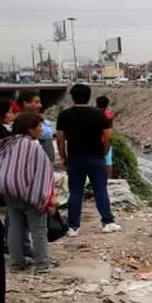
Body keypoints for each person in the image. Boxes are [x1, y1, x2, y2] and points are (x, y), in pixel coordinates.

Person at [55, 84, 121, 236]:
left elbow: (60, 139)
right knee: (100, 190)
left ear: (72, 96)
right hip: (96, 158)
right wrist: (103, 153)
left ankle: (73, 227)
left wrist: (64, 157)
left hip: (75, 158)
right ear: (89, 96)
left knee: (75, 192)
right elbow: (108, 137)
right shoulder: (99, 115)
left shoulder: (64, 115)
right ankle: (108, 222)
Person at [0, 112, 57, 273]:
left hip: (9, 191)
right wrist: (46, 198)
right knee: (38, 229)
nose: (41, 130)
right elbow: (42, 173)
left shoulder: (9, 143)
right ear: (30, 129)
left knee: (15, 228)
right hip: (29, 193)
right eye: (39, 126)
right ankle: (42, 264)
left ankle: (16, 263)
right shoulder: (33, 146)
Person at [95, 95, 115, 179]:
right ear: (107, 104)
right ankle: (109, 180)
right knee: (108, 162)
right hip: (106, 141)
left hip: (95, 142)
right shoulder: (109, 115)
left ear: (96, 104)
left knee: (95, 162)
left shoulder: (93, 114)